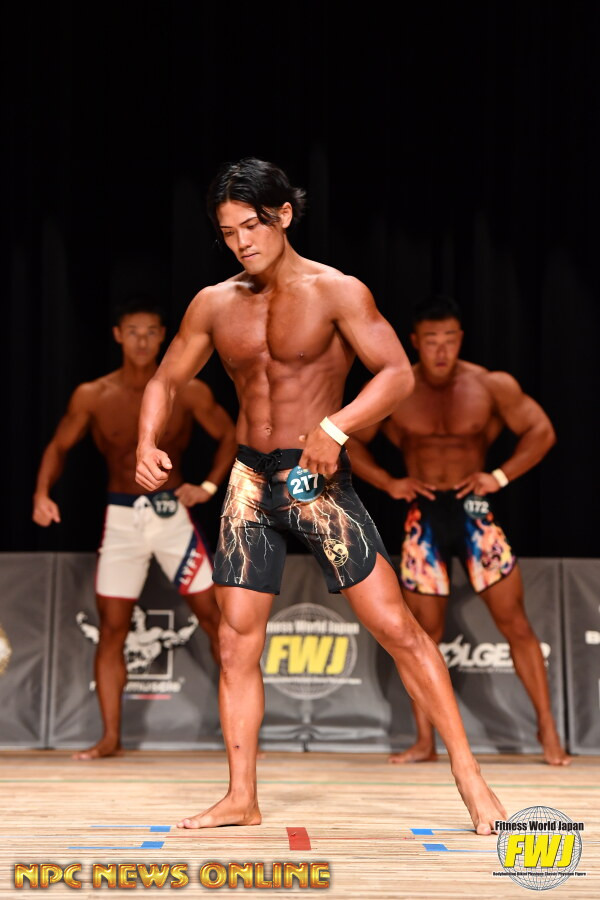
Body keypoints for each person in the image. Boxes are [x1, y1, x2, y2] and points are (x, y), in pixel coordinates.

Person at [135, 158, 506, 833]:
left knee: (397, 628)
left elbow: (395, 373)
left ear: (283, 215)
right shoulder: (213, 303)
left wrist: (337, 428)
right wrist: (145, 441)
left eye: (252, 226)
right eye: (228, 232)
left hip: (315, 476)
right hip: (248, 481)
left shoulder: (336, 291)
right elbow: (164, 379)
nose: (242, 242)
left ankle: (471, 779)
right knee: (235, 643)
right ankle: (241, 796)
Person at [348, 295, 569, 766]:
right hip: (423, 516)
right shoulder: (397, 388)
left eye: (449, 339)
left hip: (473, 513)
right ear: (415, 342)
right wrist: (388, 482)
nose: (441, 350)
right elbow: (346, 441)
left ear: (461, 338)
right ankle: (424, 740)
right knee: (421, 633)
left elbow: (541, 431)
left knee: (515, 624)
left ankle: (548, 731)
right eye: (432, 340)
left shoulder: (489, 384)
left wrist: (500, 477)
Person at [33, 297, 237, 759]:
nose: (142, 341)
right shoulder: (93, 395)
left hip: (172, 518)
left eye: (150, 332)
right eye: (133, 332)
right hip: (122, 520)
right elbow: (58, 446)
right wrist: (41, 493)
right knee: (112, 630)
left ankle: (240, 737)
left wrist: (208, 485)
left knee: (216, 621)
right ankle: (110, 738)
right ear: (117, 336)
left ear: (163, 336)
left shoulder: (188, 392)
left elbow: (231, 434)